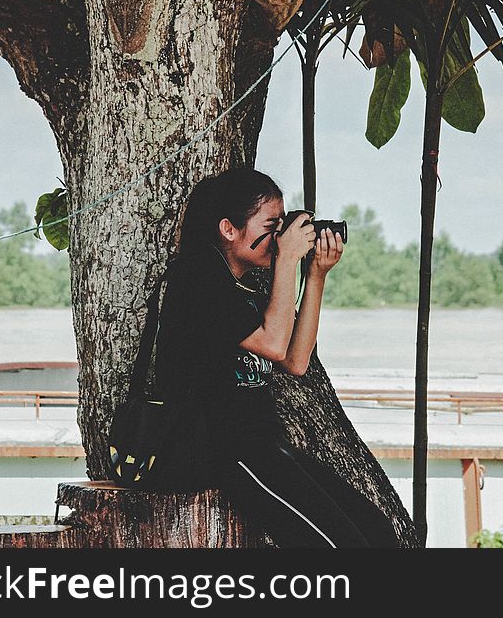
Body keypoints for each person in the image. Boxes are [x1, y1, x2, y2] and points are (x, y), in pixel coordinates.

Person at [151, 167, 399, 548]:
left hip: (264, 445)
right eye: (272, 225)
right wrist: (286, 262)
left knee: (378, 534)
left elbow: (296, 361)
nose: (280, 237)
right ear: (229, 229)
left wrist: (315, 275)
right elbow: (273, 345)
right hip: (224, 450)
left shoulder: (241, 287)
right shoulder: (197, 280)